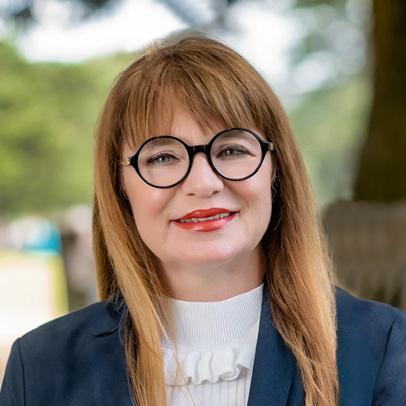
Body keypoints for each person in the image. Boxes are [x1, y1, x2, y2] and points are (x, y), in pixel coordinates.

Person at [1, 34, 405, 406]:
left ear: (276, 170)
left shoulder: (385, 349)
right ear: (120, 186)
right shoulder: (38, 369)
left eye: (231, 150)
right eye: (162, 157)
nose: (204, 183)